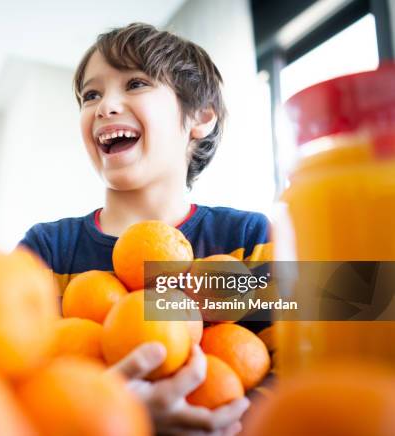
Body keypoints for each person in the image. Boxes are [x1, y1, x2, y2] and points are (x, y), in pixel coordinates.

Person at [20, 22, 272, 436]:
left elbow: (304, 370)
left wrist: (231, 421)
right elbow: (10, 389)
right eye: (91, 94)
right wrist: (111, 418)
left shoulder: (248, 239)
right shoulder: (46, 250)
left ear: (200, 117)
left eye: (135, 83)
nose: (104, 106)